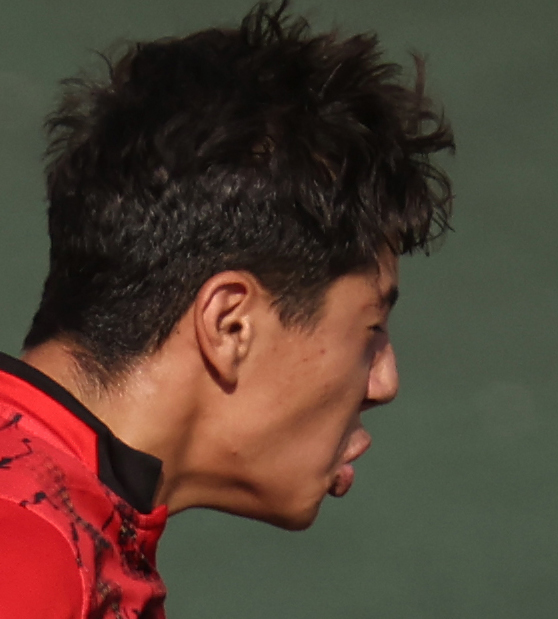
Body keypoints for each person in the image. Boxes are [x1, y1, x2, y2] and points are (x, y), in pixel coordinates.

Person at [0, 1, 454, 616]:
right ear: (231, 324)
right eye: (371, 328)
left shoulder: (64, 529)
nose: (384, 382)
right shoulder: (30, 552)